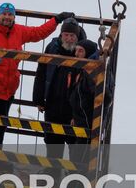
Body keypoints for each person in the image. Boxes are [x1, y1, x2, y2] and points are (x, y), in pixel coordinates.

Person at [0, 3, 75, 146]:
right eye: (4, 14)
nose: (7, 17)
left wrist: (56, 20)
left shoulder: (18, 31)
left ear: (14, 17)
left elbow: (38, 33)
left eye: (10, 15)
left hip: (7, 91)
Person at [32, 19, 101, 156]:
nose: (69, 39)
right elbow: (41, 73)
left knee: (74, 142)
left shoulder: (83, 51)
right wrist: (38, 98)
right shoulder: (52, 48)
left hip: (73, 108)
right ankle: (52, 170)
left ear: (77, 36)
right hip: (52, 103)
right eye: (66, 35)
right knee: (52, 139)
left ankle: (73, 173)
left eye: (72, 36)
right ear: (61, 35)